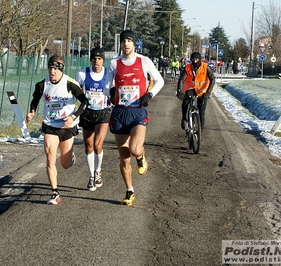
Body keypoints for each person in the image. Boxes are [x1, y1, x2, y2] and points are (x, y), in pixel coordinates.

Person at [104, 30, 164, 206]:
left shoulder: (144, 61)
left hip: (137, 110)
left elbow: (159, 80)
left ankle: (141, 156)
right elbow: (107, 86)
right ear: (120, 44)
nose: (126, 44)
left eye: (129, 41)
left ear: (134, 44)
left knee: (135, 149)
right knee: (124, 157)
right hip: (120, 112)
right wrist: (111, 91)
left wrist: (150, 94)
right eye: (123, 41)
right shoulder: (114, 63)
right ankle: (130, 191)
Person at [26, 55, 88, 205]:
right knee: (49, 157)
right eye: (50, 68)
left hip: (67, 126)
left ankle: (70, 156)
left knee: (65, 165)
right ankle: (55, 192)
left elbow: (85, 102)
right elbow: (35, 99)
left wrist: (73, 117)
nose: (52, 71)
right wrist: (32, 111)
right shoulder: (42, 84)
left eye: (55, 69)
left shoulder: (70, 83)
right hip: (50, 125)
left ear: (61, 70)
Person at [75, 47, 111, 191]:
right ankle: (91, 176)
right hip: (87, 113)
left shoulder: (108, 74)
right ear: (91, 60)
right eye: (94, 59)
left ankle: (98, 170)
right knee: (88, 146)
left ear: (103, 60)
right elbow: (76, 93)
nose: (97, 61)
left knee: (97, 144)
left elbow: (113, 91)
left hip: (103, 113)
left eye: (100, 59)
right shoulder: (82, 74)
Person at [176, 52, 215, 131]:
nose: (195, 61)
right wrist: (179, 91)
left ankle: (200, 131)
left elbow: (212, 79)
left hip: (203, 91)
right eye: (193, 59)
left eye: (197, 59)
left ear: (200, 60)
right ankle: (184, 118)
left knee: (201, 112)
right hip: (191, 88)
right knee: (185, 101)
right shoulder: (188, 67)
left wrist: (208, 92)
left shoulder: (205, 67)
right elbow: (181, 79)